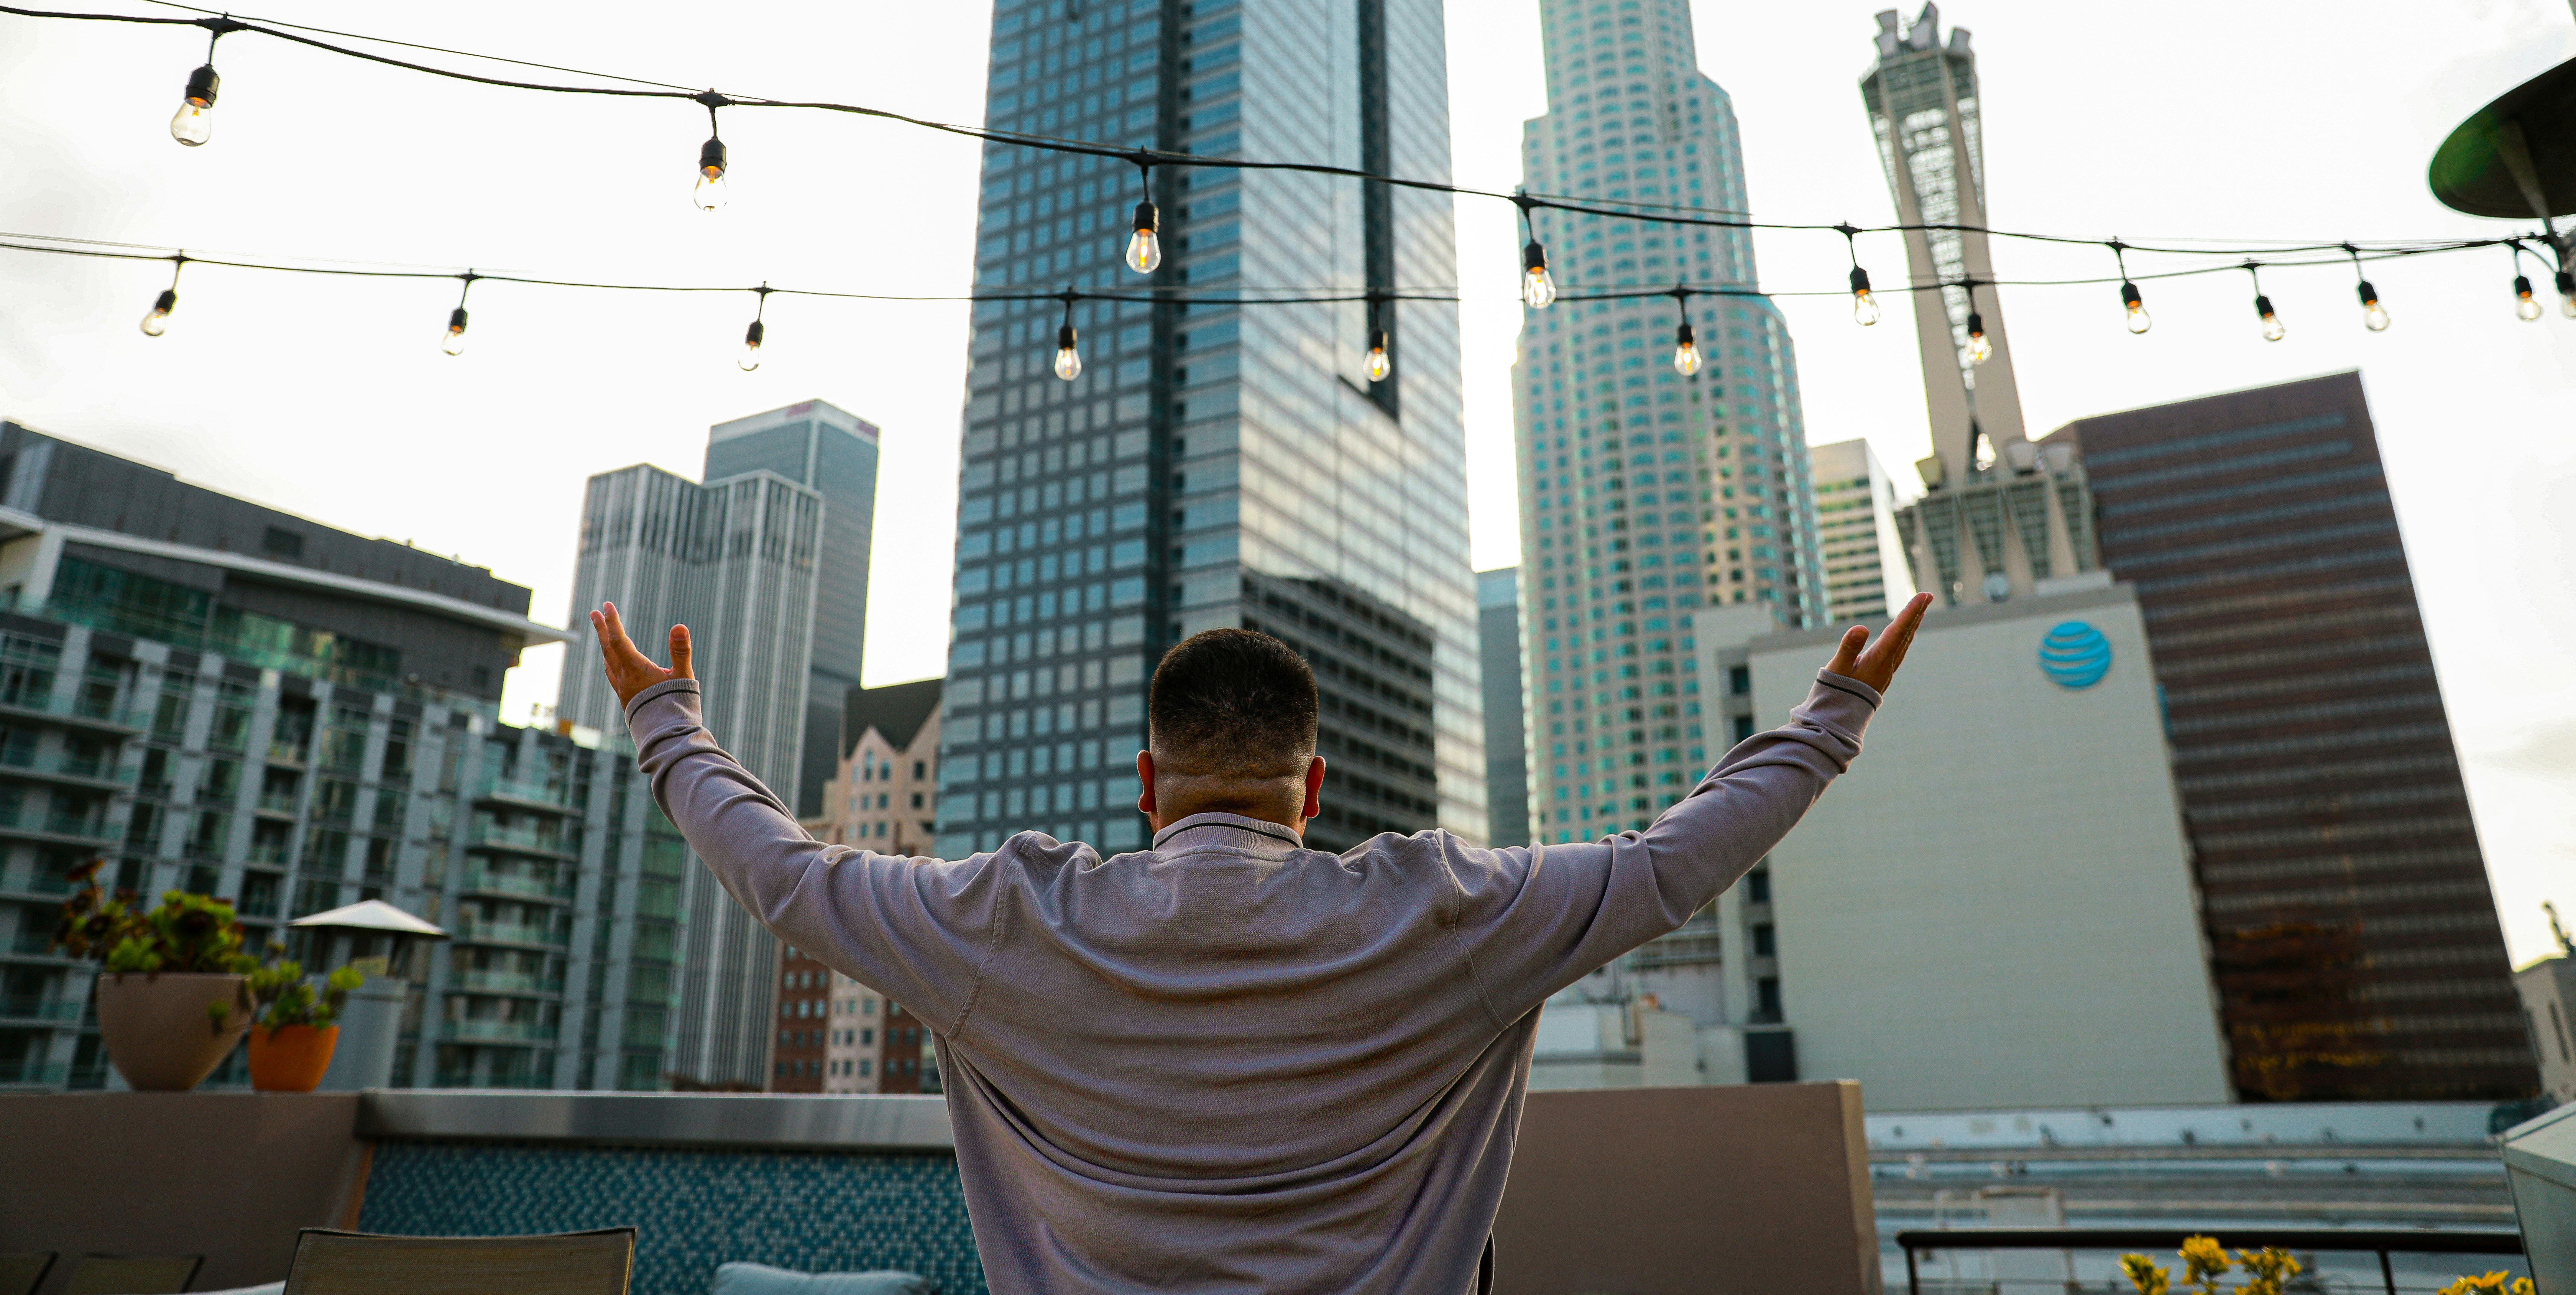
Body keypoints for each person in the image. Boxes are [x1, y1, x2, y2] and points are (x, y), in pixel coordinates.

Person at [589, 590, 1932, 1295]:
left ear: (1143, 781)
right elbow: (1669, 869)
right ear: (1316, 785)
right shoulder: (1442, 915)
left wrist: (669, 719)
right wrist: (1830, 715)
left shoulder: (1007, 921)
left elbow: (783, 878)